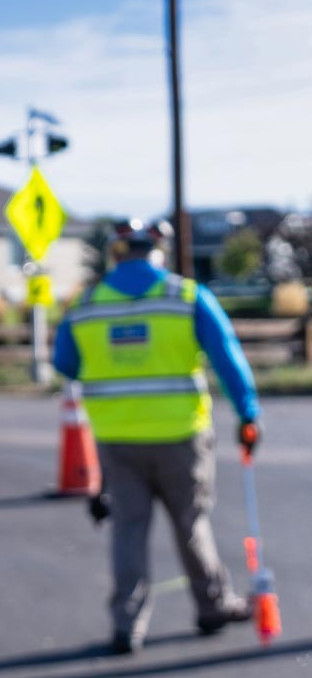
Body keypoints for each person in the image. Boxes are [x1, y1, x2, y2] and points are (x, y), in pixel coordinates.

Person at [53, 218, 260, 655]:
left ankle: (127, 625)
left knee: (128, 529)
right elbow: (227, 358)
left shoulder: (87, 305)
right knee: (190, 523)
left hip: (116, 436)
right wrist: (247, 414)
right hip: (180, 435)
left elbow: (66, 363)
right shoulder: (185, 296)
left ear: (116, 252)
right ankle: (212, 605)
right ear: (157, 250)